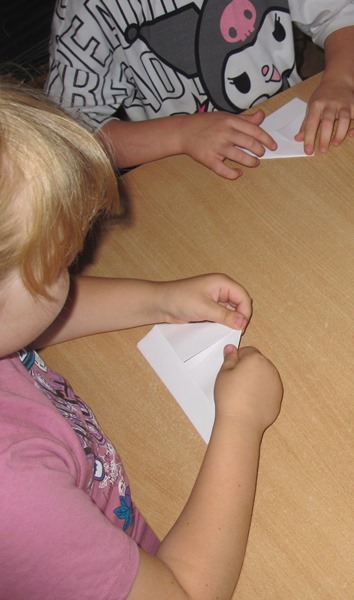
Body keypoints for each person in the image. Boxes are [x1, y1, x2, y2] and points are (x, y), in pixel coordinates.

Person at [0, 79, 283, 598]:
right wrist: (241, 420)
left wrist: (160, 300)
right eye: (60, 264)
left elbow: (25, 317)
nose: (75, 267)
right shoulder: (15, 497)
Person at [46, 0, 354, 180]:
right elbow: (67, 138)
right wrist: (181, 135)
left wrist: (338, 81)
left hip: (290, 145)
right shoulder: (86, 8)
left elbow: (341, 11)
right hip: (177, 168)